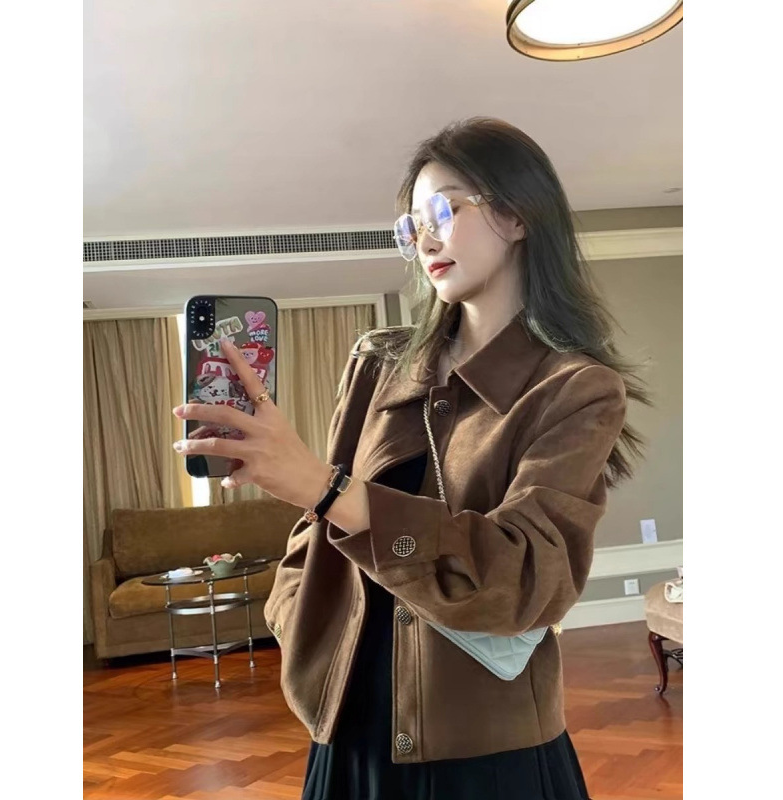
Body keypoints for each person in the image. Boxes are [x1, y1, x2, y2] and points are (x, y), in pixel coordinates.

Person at [172, 116, 651, 800]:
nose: (424, 239)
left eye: (443, 212)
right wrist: (298, 617)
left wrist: (326, 487)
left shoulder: (575, 388)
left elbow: (527, 580)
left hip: (487, 751)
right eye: (412, 225)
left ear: (518, 214)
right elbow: (313, 537)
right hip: (348, 730)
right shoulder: (378, 363)